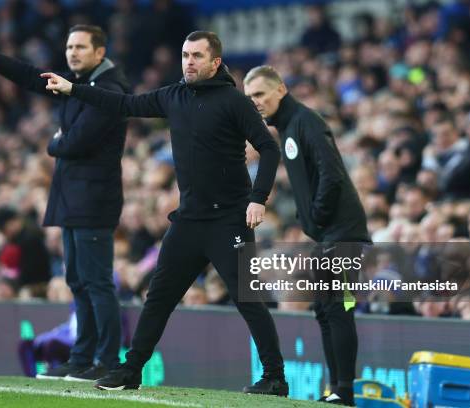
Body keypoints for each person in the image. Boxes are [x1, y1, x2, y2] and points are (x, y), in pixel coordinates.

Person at [42, 31, 288, 396]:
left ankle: (274, 377)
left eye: (197, 56)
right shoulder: (172, 96)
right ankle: (131, 370)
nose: (189, 61)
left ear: (215, 62)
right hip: (188, 220)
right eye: (186, 54)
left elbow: (269, 149)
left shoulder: (234, 102)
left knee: (248, 301)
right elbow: (123, 104)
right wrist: (73, 89)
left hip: (228, 220)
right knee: (158, 298)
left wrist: (258, 198)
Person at [0, 24, 130, 381]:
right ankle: (81, 357)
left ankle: (107, 360)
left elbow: (76, 142)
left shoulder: (109, 90)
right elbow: (36, 78)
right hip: (72, 199)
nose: (72, 53)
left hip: (93, 201)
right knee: (78, 281)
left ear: (100, 52)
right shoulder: (79, 86)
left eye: (81, 47)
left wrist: (54, 143)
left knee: (96, 282)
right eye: (69, 47)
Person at [243, 65, 371, 406]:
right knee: (325, 310)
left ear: (280, 90)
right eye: (250, 97)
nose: (254, 102)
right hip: (326, 234)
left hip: (343, 233)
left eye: (259, 94)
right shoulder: (287, 128)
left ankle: (344, 391)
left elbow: (332, 174)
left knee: (340, 308)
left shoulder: (305, 121)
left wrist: (313, 216)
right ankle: (336, 390)